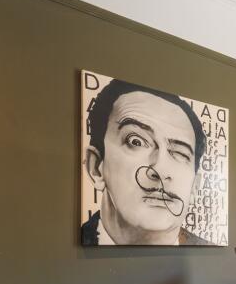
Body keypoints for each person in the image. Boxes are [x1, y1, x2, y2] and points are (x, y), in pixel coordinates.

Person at [81, 78, 212, 245]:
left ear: (194, 187)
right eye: (136, 142)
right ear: (96, 167)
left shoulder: (216, 255)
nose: (161, 170)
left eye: (180, 153)